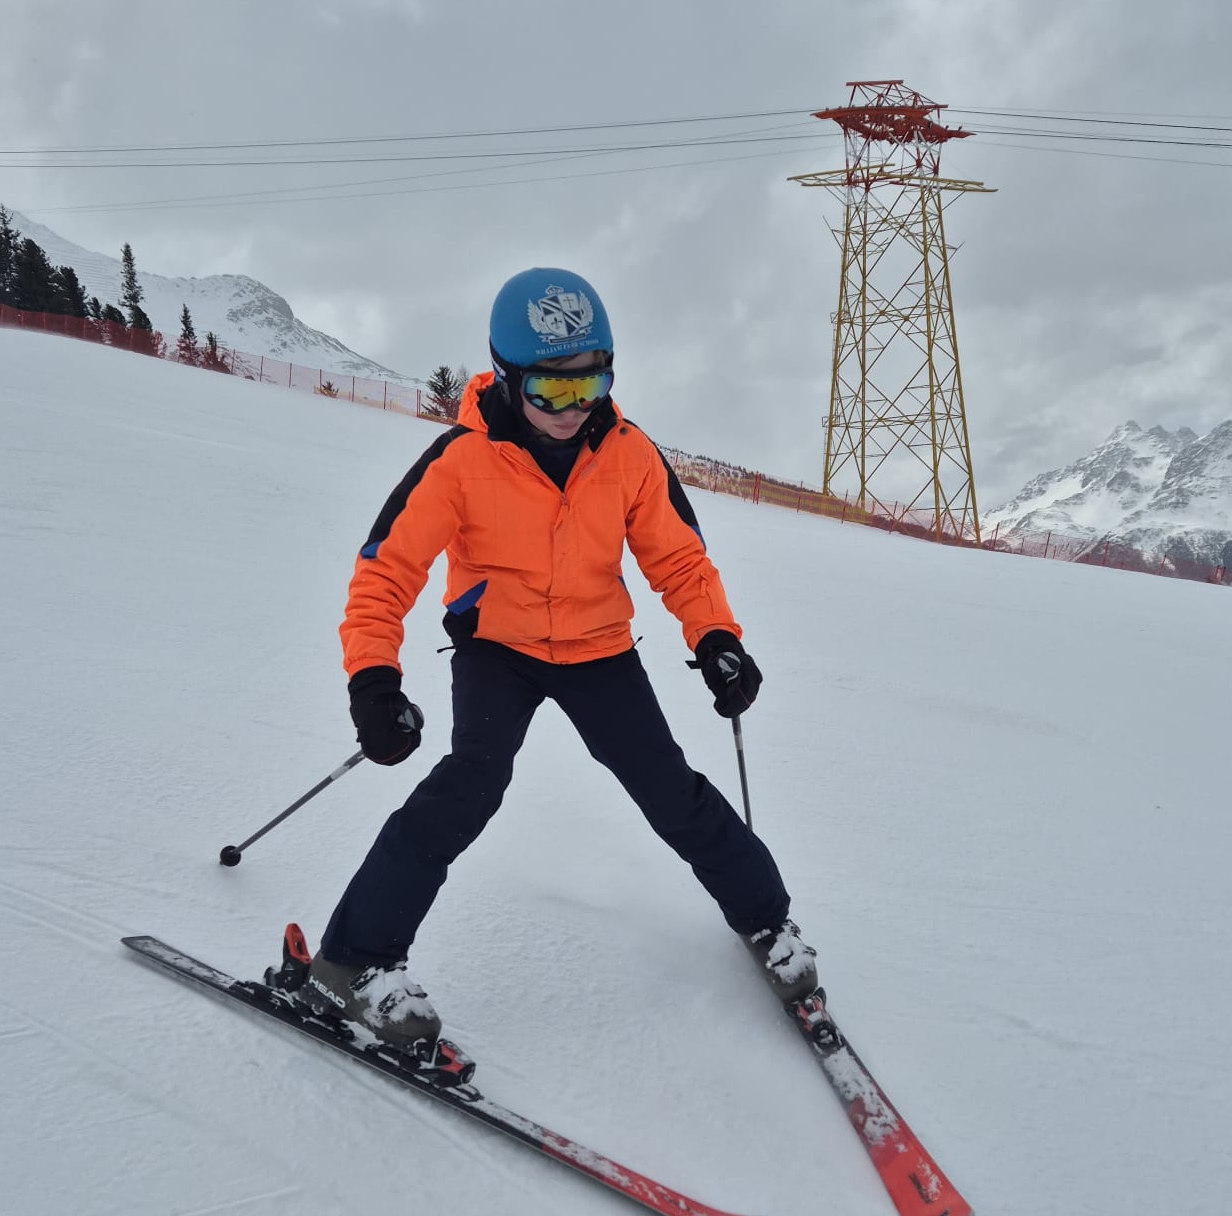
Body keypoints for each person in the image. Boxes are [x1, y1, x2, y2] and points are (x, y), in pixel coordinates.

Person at [271, 267, 821, 1053]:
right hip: (498, 647)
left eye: (590, 384)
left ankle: (768, 922)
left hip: (598, 648)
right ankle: (352, 963)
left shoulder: (628, 454)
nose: (573, 408)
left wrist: (716, 638)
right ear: (506, 376)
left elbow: (679, 560)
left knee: (670, 789)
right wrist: (373, 681)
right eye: (551, 389)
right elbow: (385, 571)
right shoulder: (461, 461)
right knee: (470, 784)